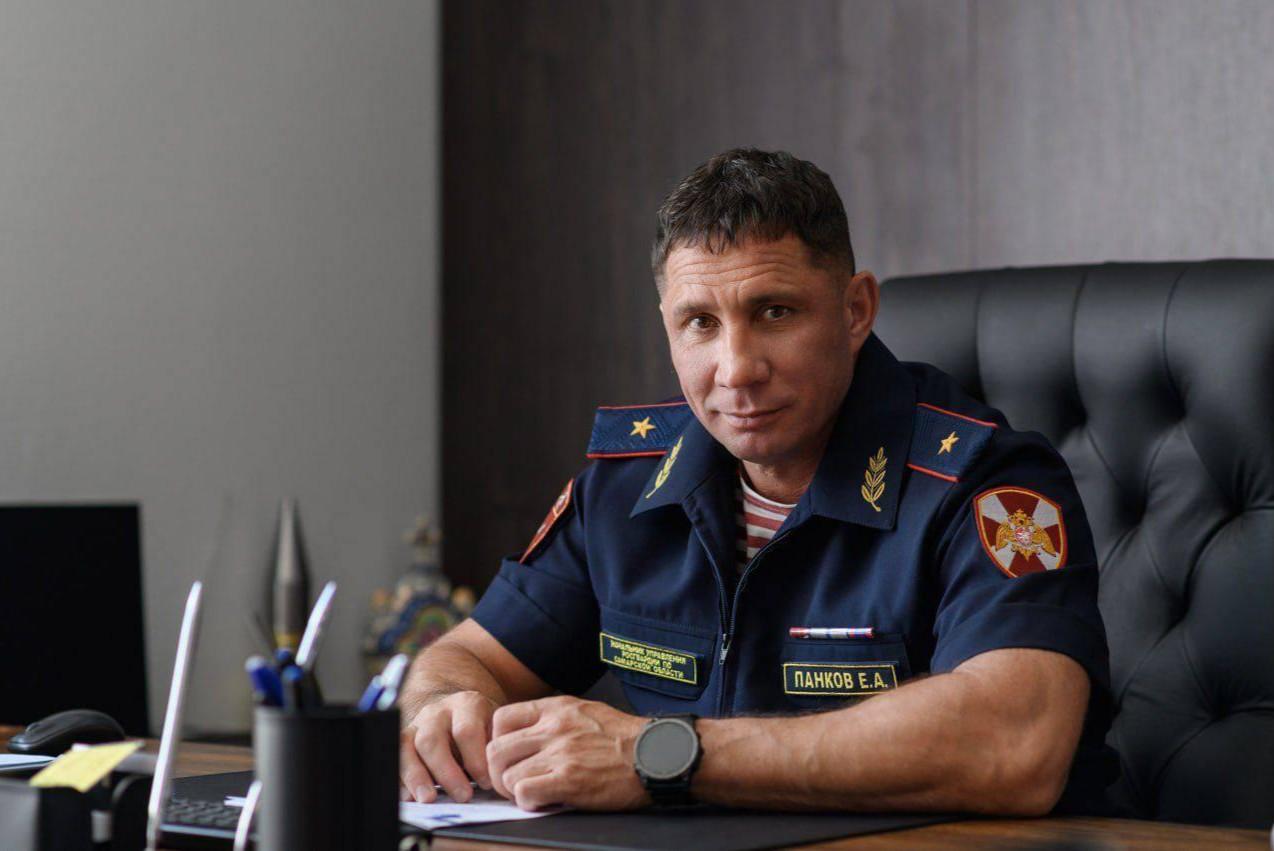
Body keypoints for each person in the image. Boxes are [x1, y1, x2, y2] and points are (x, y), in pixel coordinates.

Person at [397, 148, 1117, 816]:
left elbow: (1015, 742)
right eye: (699, 322)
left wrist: (659, 756)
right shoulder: (626, 485)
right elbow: (467, 656)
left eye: (775, 313)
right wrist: (443, 707)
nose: (736, 368)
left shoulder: (985, 485)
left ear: (855, 310)